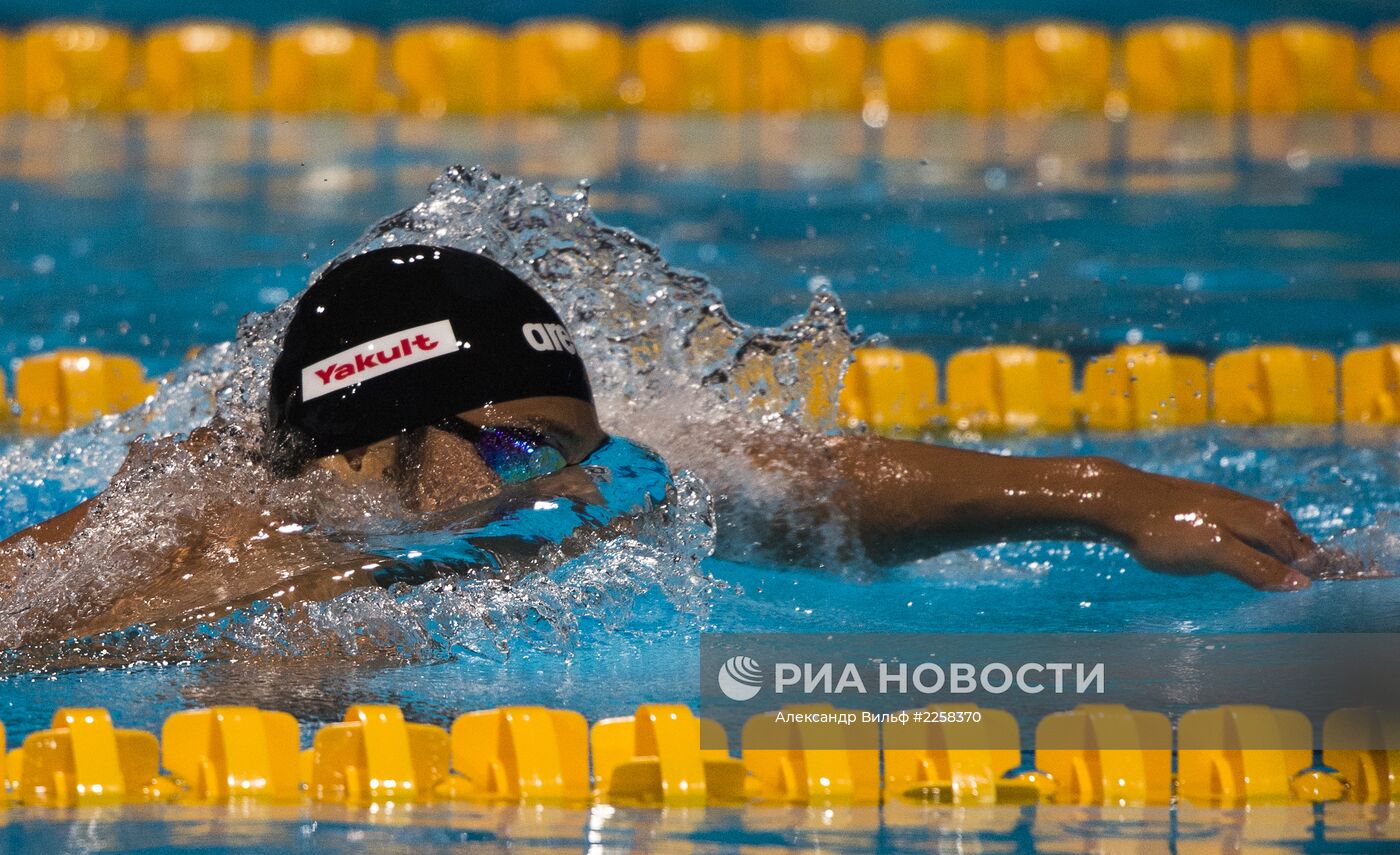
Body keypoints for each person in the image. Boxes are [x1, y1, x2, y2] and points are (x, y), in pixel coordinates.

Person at [1, 244, 1319, 637]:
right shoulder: (215, 560)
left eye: (581, 441)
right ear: (370, 447)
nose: (579, 486)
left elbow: (822, 489)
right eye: (524, 454)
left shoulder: (566, 482)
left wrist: (1105, 491)